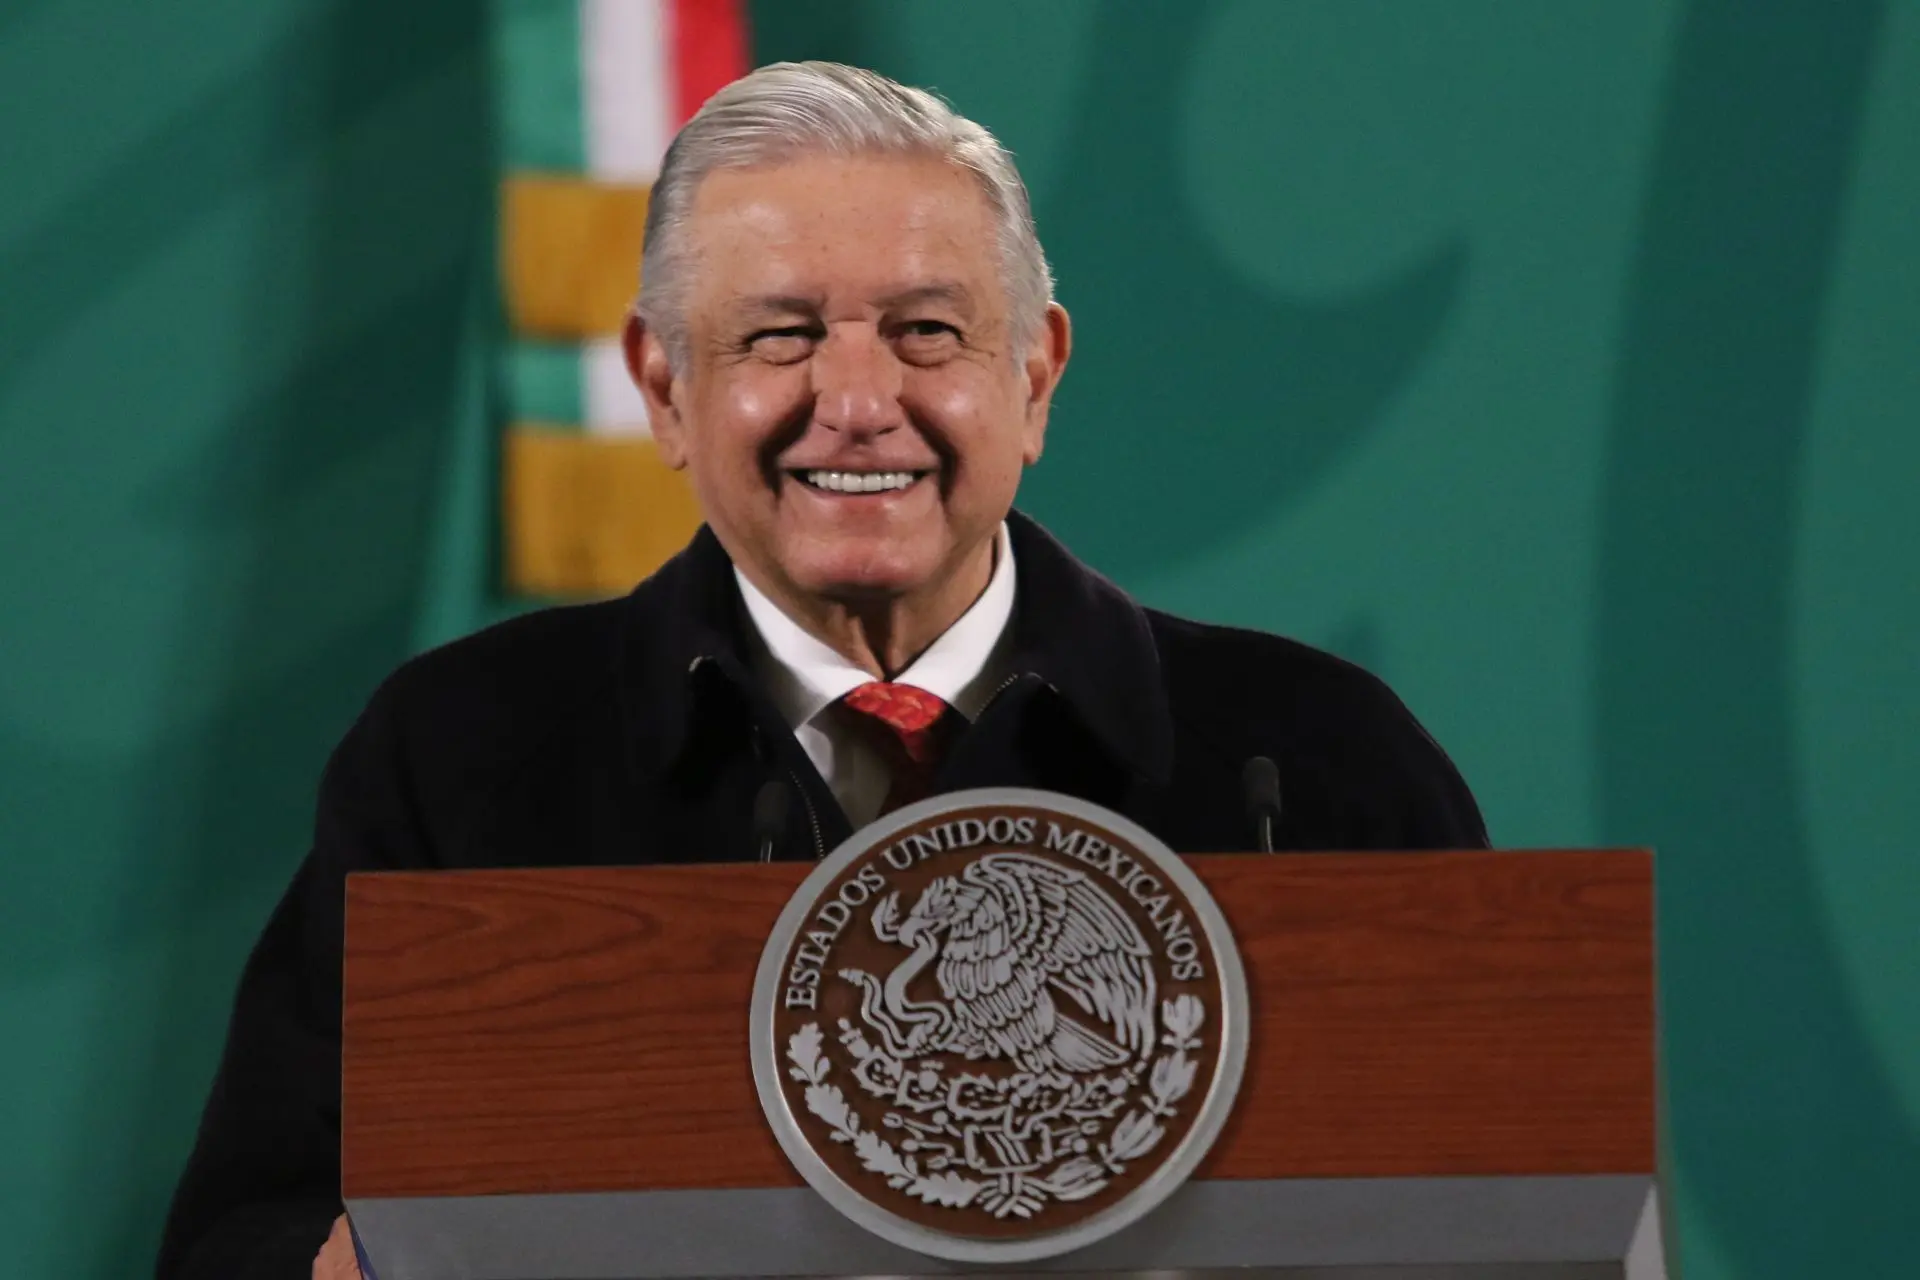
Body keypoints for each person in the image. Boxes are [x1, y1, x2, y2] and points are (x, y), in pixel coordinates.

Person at [155, 61, 1487, 1280]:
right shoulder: (463, 752)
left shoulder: (1306, 759)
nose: (856, 404)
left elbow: (1511, 1198)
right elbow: (247, 1241)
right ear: (664, 389)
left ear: (1034, 376)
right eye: (780, 337)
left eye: (926, 332)